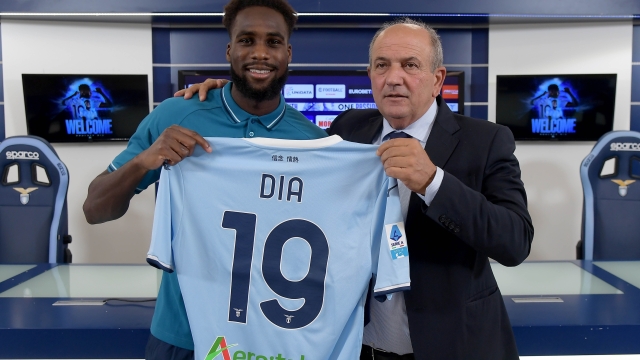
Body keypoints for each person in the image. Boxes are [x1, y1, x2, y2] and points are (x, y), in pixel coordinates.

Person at [180, 18, 534, 360]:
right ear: (370, 76)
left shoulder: (486, 140)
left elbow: (515, 241)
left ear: (437, 78)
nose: (393, 78)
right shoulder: (349, 127)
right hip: (358, 348)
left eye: (410, 65)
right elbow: (288, 149)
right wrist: (228, 93)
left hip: (453, 345)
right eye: (382, 65)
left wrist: (432, 182)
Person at [82, 1, 327, 359]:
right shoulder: (176, 113)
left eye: (273, 42)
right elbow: (94, 209)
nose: (260, 53)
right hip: (182, 336)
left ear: (287, 53)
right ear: (230, 50)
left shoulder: (313, 144)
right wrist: (145, 160)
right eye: (247, 40)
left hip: (271, 338)